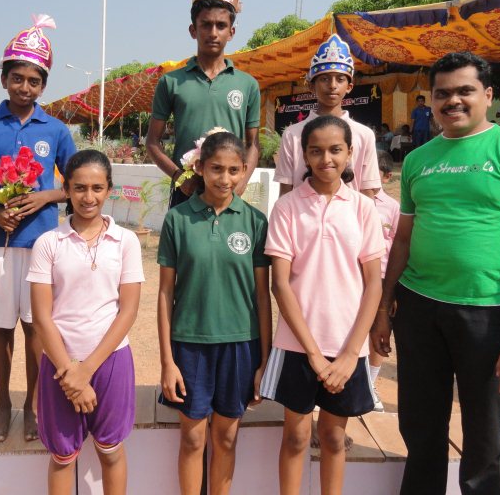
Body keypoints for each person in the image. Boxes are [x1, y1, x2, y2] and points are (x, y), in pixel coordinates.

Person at [370, 52, 500, 495]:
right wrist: (384, 309)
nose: (452, 101)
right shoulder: (418, 160)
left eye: (465, 91)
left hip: (489, 314)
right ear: (432, 100)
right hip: (418, 310)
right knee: (421, 431)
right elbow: (402, 240)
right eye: (442, 93)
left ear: (488, 95)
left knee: (484, 442)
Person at [0, 14, 76, 443]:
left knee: (36, 329)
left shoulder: (56, 130)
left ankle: (33, 407)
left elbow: (75, 185)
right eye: (18, 78)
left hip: (43, 242)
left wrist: (46, 197)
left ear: (44, 86)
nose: (25, 87)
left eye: (34, 81)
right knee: (2, 326)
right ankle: (3, 405)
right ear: (4, 79)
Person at [260, 115, 384, 495]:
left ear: (350, 153)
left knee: (332, 436)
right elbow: (280, 283)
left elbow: (373, 284)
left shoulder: (363, 208)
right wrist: (313, 354)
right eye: (316, 151)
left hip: (347, 345)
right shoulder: (287, 207)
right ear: (304, 155)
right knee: (296, 436)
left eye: (335, 150)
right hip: (297, 344)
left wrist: (349, 354)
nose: (326, 159)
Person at [157, 131, 271, 495]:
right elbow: (165, 293)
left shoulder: (255, 221)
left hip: (240, 345)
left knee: (226, 438)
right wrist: (167, 361)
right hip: (189, 345)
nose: (225, 178)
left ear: (243, 171)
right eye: (216, 169)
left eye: (234, 170)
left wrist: (264, 361)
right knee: (192, 439)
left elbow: (263, 296)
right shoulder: (177, 219)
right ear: (200, 168)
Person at [28, 150, 143, 495]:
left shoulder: (126, 241)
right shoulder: (48, 243)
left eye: (97, 188)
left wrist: (86, 370)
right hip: (59, 364)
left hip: (111, 360)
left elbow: (128, 310)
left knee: (111, 450)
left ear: (109, 189)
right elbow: (41, 316)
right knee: (63, 456)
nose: (88, 197)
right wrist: (70, 372)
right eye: (79, 188)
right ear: (66, 189)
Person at [147, 0, 261, 208]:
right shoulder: (171, 82)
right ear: (193, 30)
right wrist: (179, 178)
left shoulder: (247, 85)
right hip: (186, 194)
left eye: (221, 26)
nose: (213, 32)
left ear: (231, 32)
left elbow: (253, 144)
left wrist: (241, 182)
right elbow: (152, 142)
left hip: (230, 192)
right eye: (205, 24)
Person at [274, 33, 380, 198]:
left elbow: (367, 190)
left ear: (349, 87)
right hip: (302, 213)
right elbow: (286, 191)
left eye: (340, 79)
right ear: (311, 86)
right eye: (324, 79)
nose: (332, 85)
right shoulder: (292, 135)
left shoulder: (364, 135)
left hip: (350, 214)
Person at [368, 150, 400, 412]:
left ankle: (369, 384)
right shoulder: (350, 201)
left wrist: (394, 288)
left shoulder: (393, 208)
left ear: (387, 177)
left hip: (381, 279)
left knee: (379, 331)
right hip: (354, 278)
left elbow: (399, 245)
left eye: (374, 172)